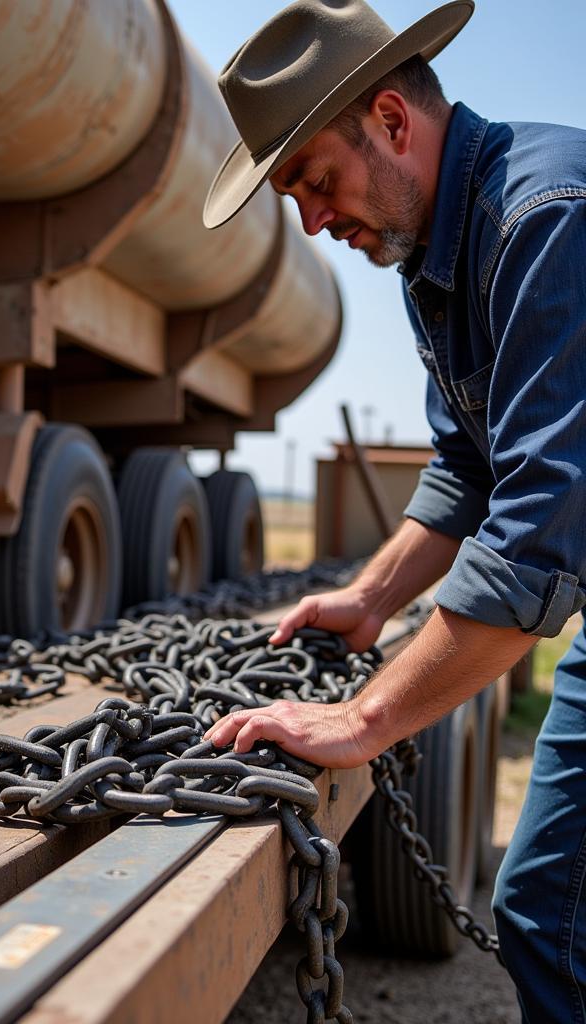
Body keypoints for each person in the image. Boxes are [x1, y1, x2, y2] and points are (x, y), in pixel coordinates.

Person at [200, 1, 586, 1020]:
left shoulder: (545, 219)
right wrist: (368, 599)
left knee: (554, 914)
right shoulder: (434, 260)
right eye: (293, 198)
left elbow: (532, 543)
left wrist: (362, 719)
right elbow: (469, 470)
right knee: (547, 910)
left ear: (391, 119)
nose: (312, 223)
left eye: (316, 182)